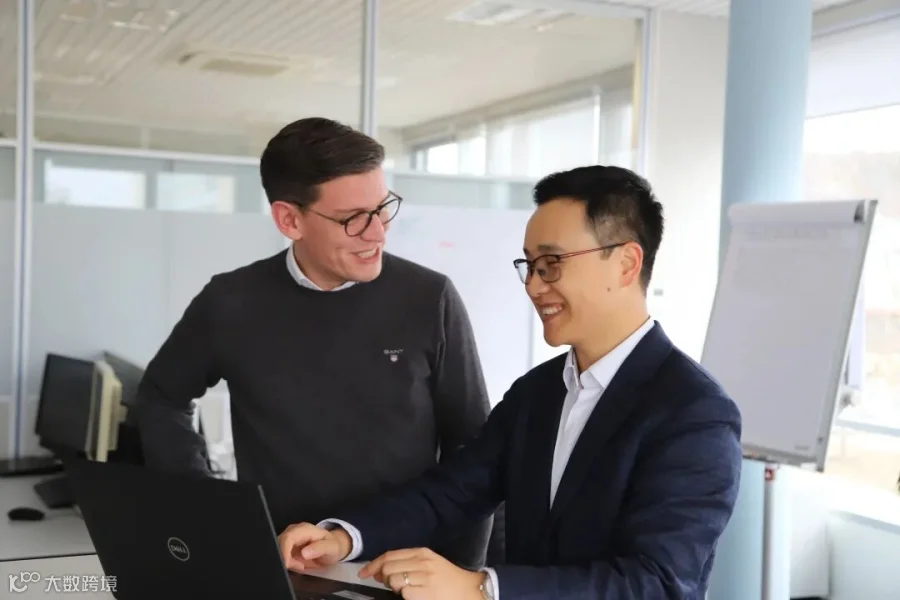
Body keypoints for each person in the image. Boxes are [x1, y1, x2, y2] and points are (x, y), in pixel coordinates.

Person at [276, 165, 743, 600]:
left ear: (625, 264)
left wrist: (482, 588)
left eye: (552, 263)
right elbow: (452, 492)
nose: (534, 286)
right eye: (530, 266)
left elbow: (655, 582)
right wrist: (342, 538)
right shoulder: (537, 392)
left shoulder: (694, 413)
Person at [134, 117, 493, 569]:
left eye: (382, 208)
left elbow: (474, 449)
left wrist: (463, 576)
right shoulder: (230, 303)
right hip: (287, 566)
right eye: (353, 219)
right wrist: (208, 504)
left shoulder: (429, 298)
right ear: (290, 219)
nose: (378, 232)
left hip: (406, 570)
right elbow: (161, 396)